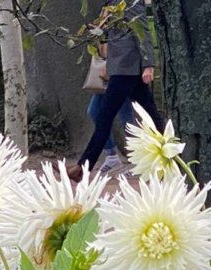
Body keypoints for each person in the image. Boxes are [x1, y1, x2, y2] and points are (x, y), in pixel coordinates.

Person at [67, 0, 163, 182]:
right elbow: (114, 34)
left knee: (104, 117)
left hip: (127, 69)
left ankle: (82, 168)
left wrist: (148, 65)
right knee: (152, 115)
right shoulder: (112, 4)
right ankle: (173, 152)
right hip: (121, 68)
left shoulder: (130, 2)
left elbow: (143, 33)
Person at [87, 93, 134, 174]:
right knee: (95, 112)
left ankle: (137, 161)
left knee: (126, 117)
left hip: (122, 81)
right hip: (106, 82)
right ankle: (111, 156)